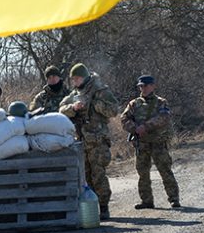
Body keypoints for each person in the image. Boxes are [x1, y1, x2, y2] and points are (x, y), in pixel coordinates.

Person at [59, 63, 120, 220]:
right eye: (73, 79)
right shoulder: (75, 94)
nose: (75, 82)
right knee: (85, 177)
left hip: (98, 140)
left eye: (77, 78)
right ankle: (91, 208)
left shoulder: (100, 90)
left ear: (84, 77)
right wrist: (74, 107)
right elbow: (61, 109)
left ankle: (104, 207)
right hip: (81, 141)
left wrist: (94, 104)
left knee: (98, 174)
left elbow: (114, 110)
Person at [120, 75, 180, 209]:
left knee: (165, 170)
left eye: (146, 86)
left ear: (153, 86)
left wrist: (145, 126)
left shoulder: (161, 102)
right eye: (141, 86)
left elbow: (164, 118)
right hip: (141, 144)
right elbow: (124, 119)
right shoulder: (134, 104)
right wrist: (135, 128)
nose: (143, 88)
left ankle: (174, 199)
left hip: (158, 143)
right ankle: (146, 201)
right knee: (143, 173)